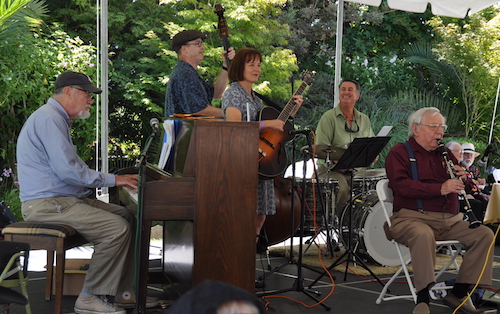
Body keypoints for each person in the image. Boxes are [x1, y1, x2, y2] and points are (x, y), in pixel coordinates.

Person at [16, 71, 158, 314]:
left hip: (62, 200)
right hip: (47, 204)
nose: (91, 100)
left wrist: (109, 183)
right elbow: (68, 171)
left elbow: (72, 169)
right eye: (87, 94)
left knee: (127, 217)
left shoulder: (55, 119)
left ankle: (122, 292)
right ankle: (89, 297)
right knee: (116, 228)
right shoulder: (50, 119)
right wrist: (116, 180)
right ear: (68, 91)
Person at [385, 107, 493, 314]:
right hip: (410, 218)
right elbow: (401, 186)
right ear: (415, 129)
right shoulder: (399, 153)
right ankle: (423, 299)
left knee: (484, 235)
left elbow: (469, 187)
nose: (440, 132)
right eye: (433, 127)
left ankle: (459, 293)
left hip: (450, 221)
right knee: (422, 233)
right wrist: (440, 188)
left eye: (441, 127)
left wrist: (465, 179)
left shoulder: (446, 155)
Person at [221, 48, 303, 242]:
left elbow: (271, 130)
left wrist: (290, 113)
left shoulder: (256, 98)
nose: (257, 69)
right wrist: (268, 124)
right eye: (251, 64)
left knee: (259, 215)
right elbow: (234, 127)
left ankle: (251, 252)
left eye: (259, 64)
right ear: (239, 67)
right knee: (242, 214)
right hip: (241, 162)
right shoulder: (232, 94)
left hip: (261, 164)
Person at [315, 79, 375, 217]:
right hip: (329, 170)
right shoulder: (328, 117)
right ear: (338, 93)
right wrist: (342, 163)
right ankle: (340, 224)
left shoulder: (364, 119)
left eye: (350, 89)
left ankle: (361, 225)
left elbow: (371, 144)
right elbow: (321, 150)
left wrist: (373, 154)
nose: (346, 92)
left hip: (357, 171)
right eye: (343, 89)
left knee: (376, 184)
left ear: (357, 95)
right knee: (342, 188)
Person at [165, 29, 235, 118]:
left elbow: (216, 94)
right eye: (198, 43)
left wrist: (226, 66)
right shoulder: (185, 74)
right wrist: (233, 114)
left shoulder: (188, 72)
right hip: (185, 132)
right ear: (185, 49)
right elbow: (199, 111)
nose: (203, 47)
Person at [445, 141, 485, 222]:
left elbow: (470, 186)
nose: (461, 154)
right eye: (458, 152)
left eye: (462, 152)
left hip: (463, 196)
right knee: (477, 204)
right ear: (449, 153)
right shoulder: (445, 166)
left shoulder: (461, 168)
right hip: (450, 200)